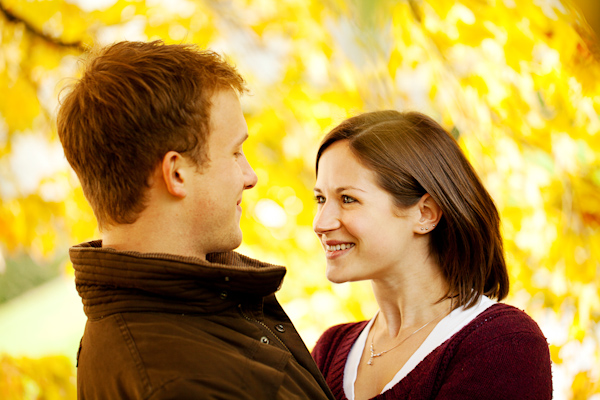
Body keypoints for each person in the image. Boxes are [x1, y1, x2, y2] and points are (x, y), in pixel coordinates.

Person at [57, 40, 335, 400]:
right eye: (235, 152)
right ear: (177, 174)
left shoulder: (200, 303)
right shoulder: (175, 383)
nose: (250, 176)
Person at [311, 110, 552, 399]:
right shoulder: (330, 351)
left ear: (425, 214)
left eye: (348, 199)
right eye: (320, 199)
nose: (320, 223)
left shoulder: (502, 343)